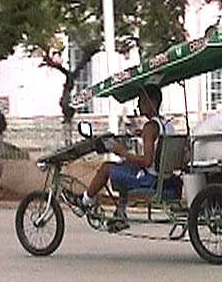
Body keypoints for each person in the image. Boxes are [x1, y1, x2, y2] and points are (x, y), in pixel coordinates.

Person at [64, 84, 175, 219]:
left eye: (141, 101)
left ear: (152, 102)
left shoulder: (150, 127)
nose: (138, 105)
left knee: (106, 167)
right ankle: (120, 212)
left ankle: (84, 202)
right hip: (164, 177)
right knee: (124, 165)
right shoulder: (167, 125)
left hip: (150, 180)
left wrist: (123, 152)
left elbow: (147, 161)